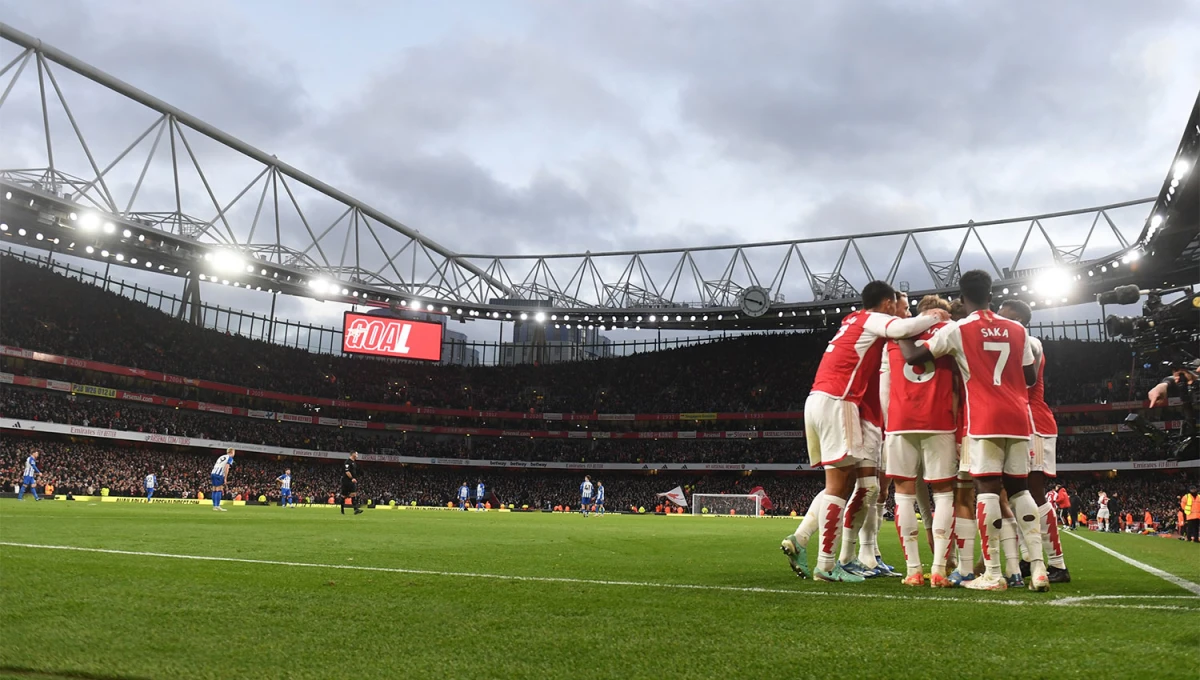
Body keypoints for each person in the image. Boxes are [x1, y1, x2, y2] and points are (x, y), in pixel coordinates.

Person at [781, 280, 947, 583]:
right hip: (842, 402)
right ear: (887, 304)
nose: (904, 314)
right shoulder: (875, 322)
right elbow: (900, 331)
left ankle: (811, 543)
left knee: (856, 486)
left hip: (823, 400)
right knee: (841, 485)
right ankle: (829, 565)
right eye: (900, 307)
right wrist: (938, 317)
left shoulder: (852, 321)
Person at [900, 269, 1049, 592]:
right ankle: (1038, 569)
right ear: (991, 294)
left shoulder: (959, 329)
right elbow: (1030, 378)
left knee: (987, 490)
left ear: (962, 296)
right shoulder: (1017, 329)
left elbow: (914, 357)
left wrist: (900, 328)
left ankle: (993, 572)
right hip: (1019, 418)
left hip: (984, 418)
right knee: (1020, 489)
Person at [882, 295, 958, 587]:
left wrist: (889, 426)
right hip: (940, 420)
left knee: (903, 494)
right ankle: (939, 568)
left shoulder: (895, 336)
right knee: (943, 494)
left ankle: (913, 570)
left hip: (900, 422)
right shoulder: (951, 333)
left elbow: (884, 387)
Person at [998, 300, 1070, 583]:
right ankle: (1030, 558)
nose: (1000, 322)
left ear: (1019, 319)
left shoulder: (1031, 341)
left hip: (1035, 422)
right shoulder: (1015, 340)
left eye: (1006, 318)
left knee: (1035, 493)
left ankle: (1058, 564)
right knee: (1019, 495)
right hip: (1019, 421)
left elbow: (1025, 380)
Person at [210, 448, 235, 512]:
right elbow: (227, 467)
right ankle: (217, 506)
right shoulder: (230, 458)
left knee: (214, 489)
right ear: (232, 452)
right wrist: (225, 478)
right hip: (219, 474)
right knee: (219, 489)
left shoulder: (222, 456)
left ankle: (214, 506)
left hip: (213, 473)